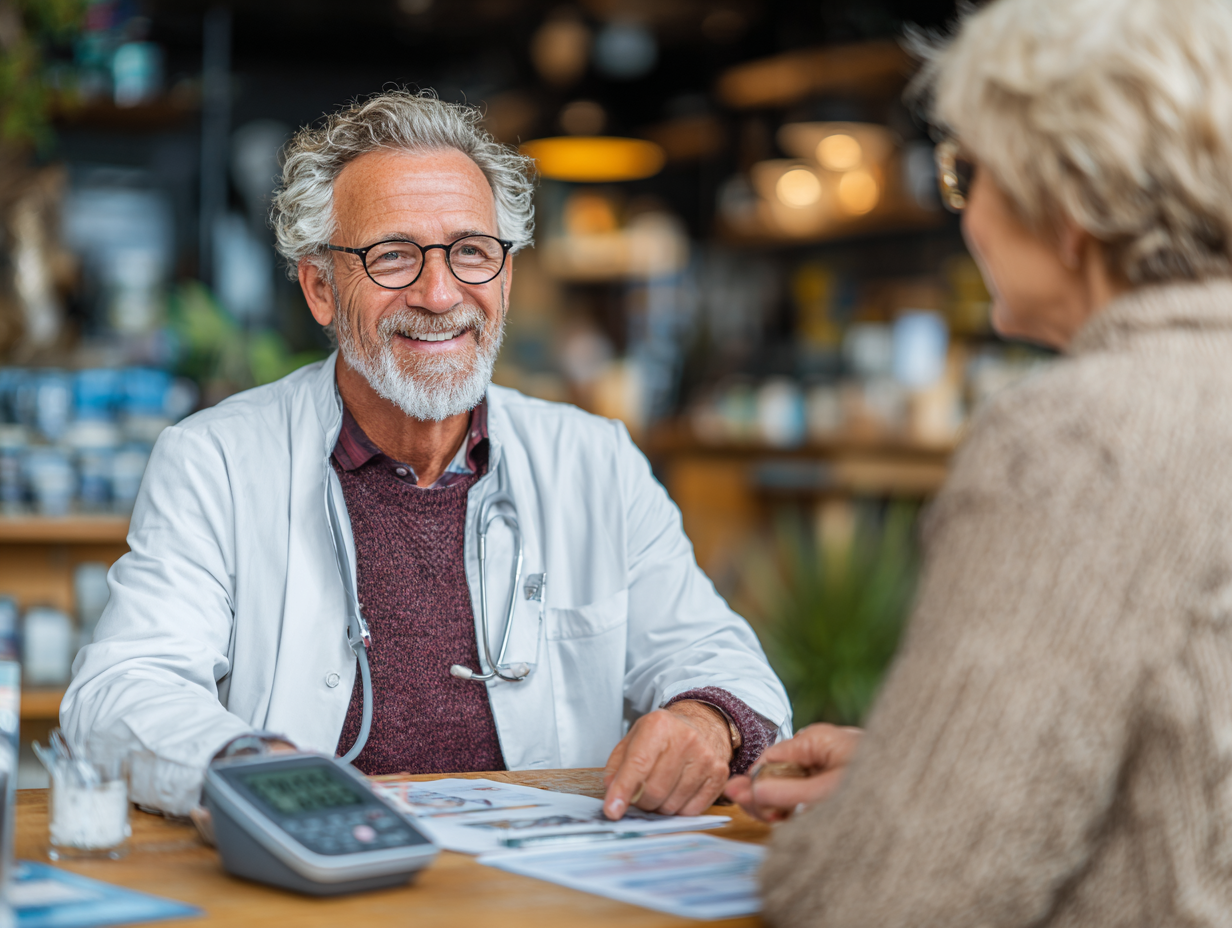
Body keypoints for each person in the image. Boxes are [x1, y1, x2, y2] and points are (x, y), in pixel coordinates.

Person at [61, 90, 790, 817]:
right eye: (393, 256)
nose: (440, 294)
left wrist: (707, 721)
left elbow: (725, 665)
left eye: (471, 252)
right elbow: (120, 692)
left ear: (503, 277)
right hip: (318, 878)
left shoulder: (595, 461)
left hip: (545, 890)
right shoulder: (213, 462)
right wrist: (255, 767)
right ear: (321, 287)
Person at [726, 0, 1232, 925]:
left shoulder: (1081, 440)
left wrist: (852, 845)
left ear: (1069, 197)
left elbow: (883, 899)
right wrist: (911, 776)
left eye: (970, 172)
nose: (968, 215)